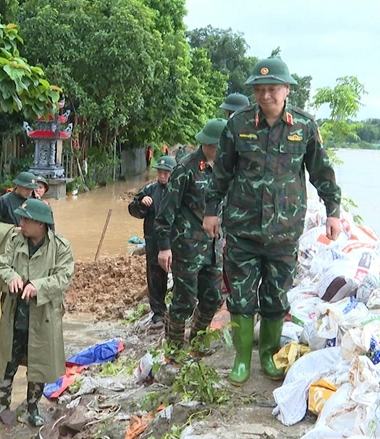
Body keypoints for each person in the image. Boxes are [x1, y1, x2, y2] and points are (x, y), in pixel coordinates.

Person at [203, 57, 342, 386]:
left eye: (272, 89)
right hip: (243, 228)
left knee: (276, 298)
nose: (265, 95)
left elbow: (321, 171)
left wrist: (333, 211)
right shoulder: (238, 125)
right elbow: (221, 171)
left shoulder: (304, 127)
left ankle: (267, 355)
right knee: (240, 297)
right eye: (260, 89)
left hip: (284, 231)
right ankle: (241, 359)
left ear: (286, 89)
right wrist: (211, 209)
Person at [0, 199, 73, 427]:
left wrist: (38, 286)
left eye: (26, 219)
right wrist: (12, 276)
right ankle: (0, 406)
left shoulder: (60, 247)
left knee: (39, 363)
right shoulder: (14, 240)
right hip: (14, 314)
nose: (20, 223)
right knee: (5, 361)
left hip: (43, 316)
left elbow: (64, 277)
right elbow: (2, 264)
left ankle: (32, 409)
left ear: (41, 224)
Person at [154, 119, 227, 356]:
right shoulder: (186, 169)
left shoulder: (226, 168)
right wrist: (164, 247)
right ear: (207, 144)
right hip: (187, 247)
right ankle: (174, 349)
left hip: (214, 248)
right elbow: (166, 211)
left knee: (212, 297)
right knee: (184, 300)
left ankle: (197, 341)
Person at [127, 156, 176, 328]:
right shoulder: (149, 190)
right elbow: (133, 210)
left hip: (176, 240)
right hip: (154, 241)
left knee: (181, 274)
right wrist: (141, 204)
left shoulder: (179, 190)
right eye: (159, 172)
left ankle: (179, 311)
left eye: (166, 173)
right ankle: (158, 313)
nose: (162, 176)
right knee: (155, 277)